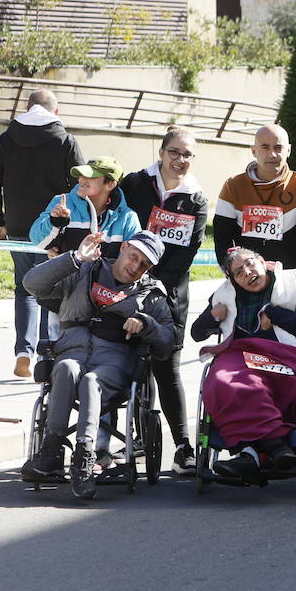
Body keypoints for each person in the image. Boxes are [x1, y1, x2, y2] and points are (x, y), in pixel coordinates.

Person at [20, 230, 174, 499]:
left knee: (92, 381)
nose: (135, 266)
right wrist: (75, 258)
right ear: (124, 247)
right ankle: (51, 450)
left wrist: (146, 324)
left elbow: (167, 342)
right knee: (67, 369)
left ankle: (84, 458)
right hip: (72, 350)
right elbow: (31, 284)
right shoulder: (86, 269)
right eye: (134, 256)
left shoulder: (151, 294)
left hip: (114, 361)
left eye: (144, 264)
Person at [191, 247, 296, 485]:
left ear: (263, 261)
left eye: (250, 264)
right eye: (238, 272)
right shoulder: (224, 295)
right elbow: (196, 333)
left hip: (285, 356)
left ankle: (251, 454)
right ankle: (274, 447)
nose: (247, 273)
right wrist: (212, 316)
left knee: (268, 387)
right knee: (223, 381)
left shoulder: (292, 283)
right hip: (240, 356)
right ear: (232, 280)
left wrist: (276, 314)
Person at [119, 127, 209, 475]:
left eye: (187, 155)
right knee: (127, 359)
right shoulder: (135, 183)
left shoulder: (196, 199)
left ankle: (183, 446)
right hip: (124, 283)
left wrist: (153, 287)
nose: (180, 160)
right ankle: (140, 438)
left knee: (166, 366)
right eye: (175, 152)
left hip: (170, 292)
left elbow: (185, 255)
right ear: (161, 151)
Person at [0, 88, 83, 378]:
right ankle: (47, 352)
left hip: (18, 224)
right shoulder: (65, 141)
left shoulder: (6, 139)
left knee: (25, 288)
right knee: (53, 287)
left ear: (28, 107)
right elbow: (79, 184)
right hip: (55, 225)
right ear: (54, 112)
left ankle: (23, 351)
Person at [213, 124, 296, 297]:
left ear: (289, 150)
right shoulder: (232, 186)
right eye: (265, 147)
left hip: (289, 281)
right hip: (246, 282)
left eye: (278, 147)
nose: (272, 154)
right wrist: (231, 274)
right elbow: (221, 236)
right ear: (253, 150)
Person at [31, 156, 140, 260]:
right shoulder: (61, 202)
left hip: (105, 280)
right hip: (66, 279)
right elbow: (38, 241)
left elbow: (132, 260)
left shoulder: (128, 218)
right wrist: (55, 222)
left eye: (91, 176)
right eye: (81, 174)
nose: (82, 179)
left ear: (110, 184)